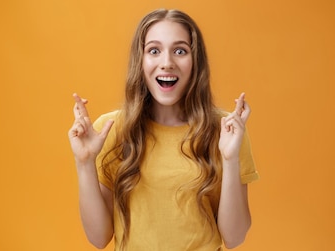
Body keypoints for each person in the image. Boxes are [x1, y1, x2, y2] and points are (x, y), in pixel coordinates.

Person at [67, 9, 259, 250]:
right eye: (154, 51)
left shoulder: (226, 129)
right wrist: (84, 162)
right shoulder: (112, 130)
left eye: (180, 51)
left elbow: (235, 237)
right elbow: (98, 238)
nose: (167, 63)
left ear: (195, 61)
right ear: (141, 60)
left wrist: (230, 160)